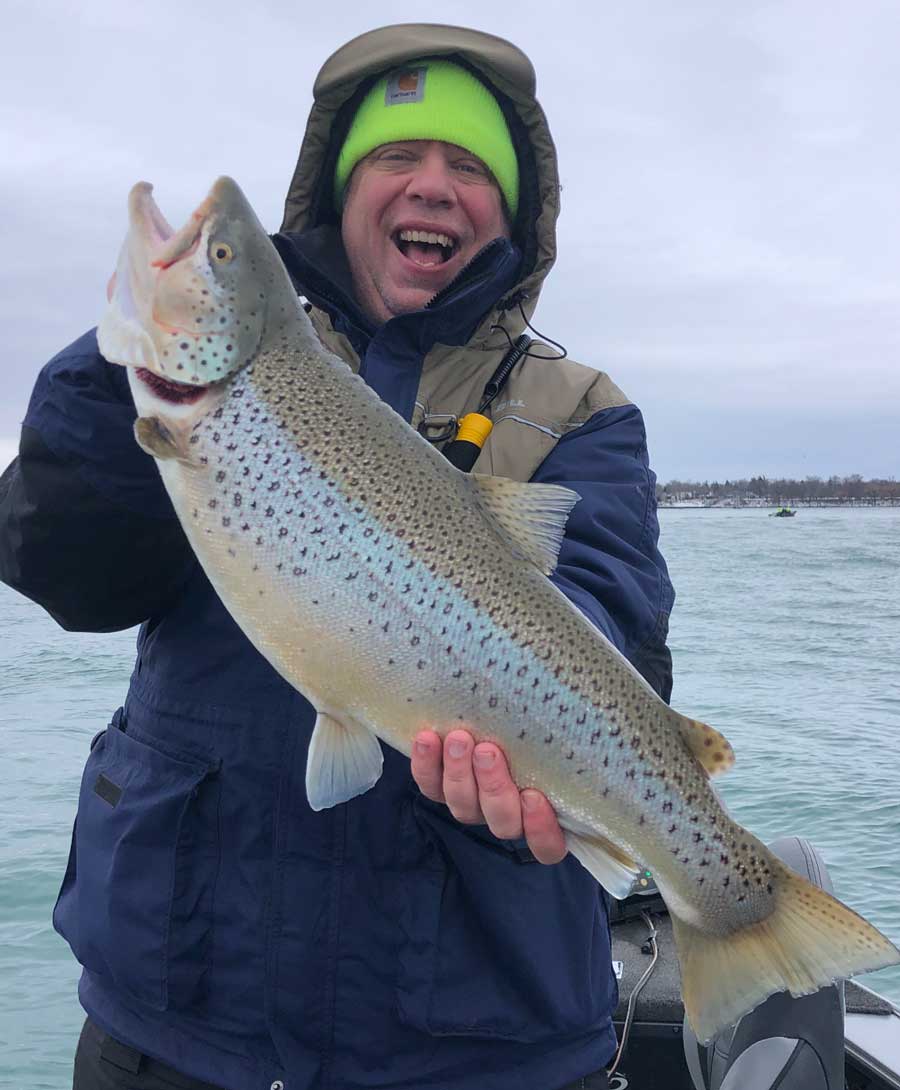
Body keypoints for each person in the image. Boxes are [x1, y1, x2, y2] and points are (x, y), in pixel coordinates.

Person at [0, 24, 674, 1090]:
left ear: (512, 207)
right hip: (180, 1020)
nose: (434, 187)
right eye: (398, 157)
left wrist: (539, 759)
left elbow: (611, 616)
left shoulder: (580, 411)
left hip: (478, 1048)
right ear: (340, 188)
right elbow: (65, 567)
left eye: (467, 166)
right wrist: (121, 363)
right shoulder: (230, 390)